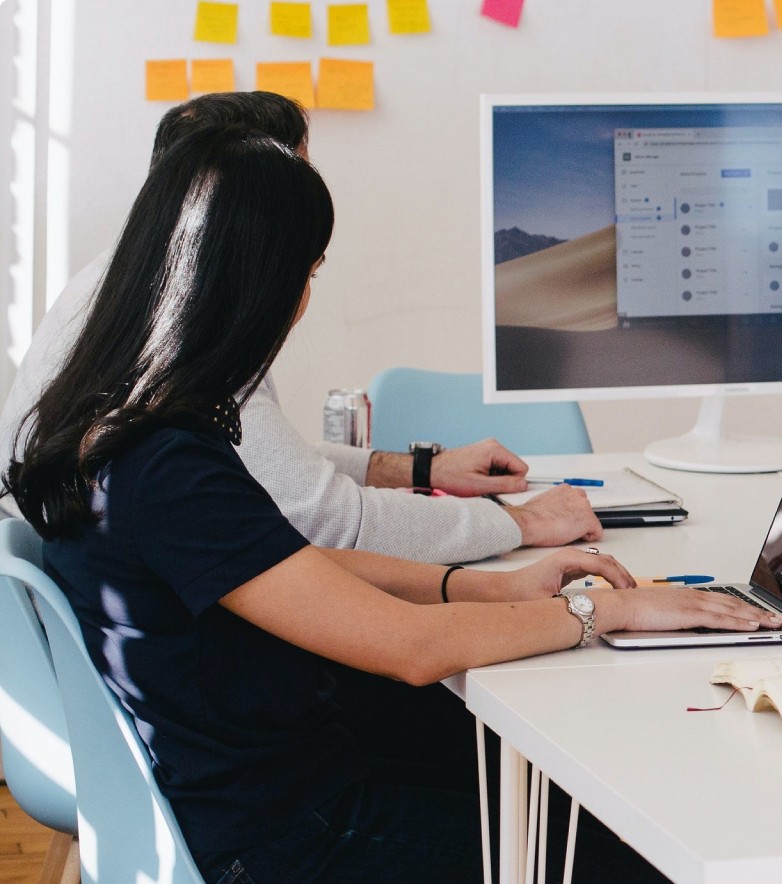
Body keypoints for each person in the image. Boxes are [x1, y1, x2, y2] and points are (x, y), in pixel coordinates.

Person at [2, 130, 782, 884]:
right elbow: (408, 649)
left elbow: (295, 573)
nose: (308, 296)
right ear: (259, 281)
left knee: (547, 820)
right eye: (308, 271)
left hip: (226, 809)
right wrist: (602, 613)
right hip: (278, 858)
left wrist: (488, 582)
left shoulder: (112, 427)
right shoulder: (173, 462)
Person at [0, 92, 601, 564]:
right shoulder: (186, 327)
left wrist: (422, 471)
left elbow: (256, 464)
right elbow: (325, 522)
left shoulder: (124, 286)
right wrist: (519, 524)